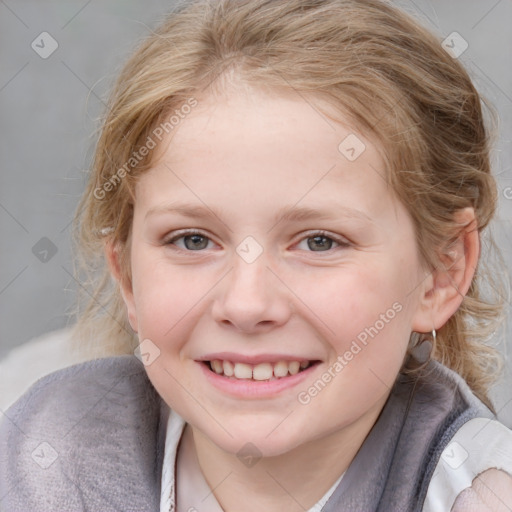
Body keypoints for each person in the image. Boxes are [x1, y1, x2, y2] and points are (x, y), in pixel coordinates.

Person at [1, 0, 512, 510]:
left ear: (441, 273)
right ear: (128, 278)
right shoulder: (38, 459)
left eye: (319, 242)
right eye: (193, 240)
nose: (247, 305)